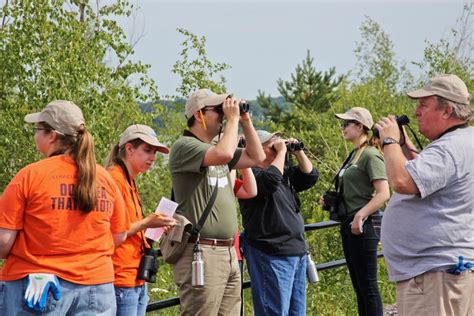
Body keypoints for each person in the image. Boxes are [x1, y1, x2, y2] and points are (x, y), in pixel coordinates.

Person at [0, 100, 129, 315]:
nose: (35, 135)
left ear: (52, 135)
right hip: (98, 289)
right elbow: (119, 236)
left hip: (39, 287)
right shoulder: (105, 178)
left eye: (37, 130)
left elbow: (3, 243)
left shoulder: (30, 175)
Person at [375, 74, 474, 315]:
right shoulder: (463, 140)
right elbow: (436, 178)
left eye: (423, 105)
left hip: (433, 276)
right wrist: (404, 149)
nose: (416, 111)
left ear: (447, 110)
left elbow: (401, 181)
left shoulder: (448, 148)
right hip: (444, 270)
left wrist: (388, 140)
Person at [168, 88, 265, 315]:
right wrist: (232, 121)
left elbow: (258, 158)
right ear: (199, 114)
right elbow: (222, 155)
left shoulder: (218, 149)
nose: (223, 115)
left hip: (228, 252)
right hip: (201, 251)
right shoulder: (184, 147)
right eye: (218, 110)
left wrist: (245, 120)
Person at [239, 130, 319, 315]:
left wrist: (298, 151)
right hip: (270, 253)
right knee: (274, 311)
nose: (277, 146)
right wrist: (282, 152)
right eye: (271, 144)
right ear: (256, 149)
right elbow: (270, 181)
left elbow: (310, 176)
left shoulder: (283, 174)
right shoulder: (252, 174)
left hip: (295, 251)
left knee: (296, 312)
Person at [322, 107, 390, 316]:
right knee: (359, 286)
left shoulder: (370, 155)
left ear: (360, 126)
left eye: (346, 124)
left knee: (368, 287)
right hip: (350, 224)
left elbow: (383, 193)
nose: (342, 128)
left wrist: (361, 214)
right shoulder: (355, 153)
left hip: (364, 225)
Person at [105, 124, 177, 316]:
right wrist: (147, 222)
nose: (152, 157)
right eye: (147, 150)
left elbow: (129, 226)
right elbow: (112, 232)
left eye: (154, 152)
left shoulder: (129, 179)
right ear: (129, 149)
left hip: (135, 275)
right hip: (121, 277)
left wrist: (155, 225)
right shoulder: (114, 179)